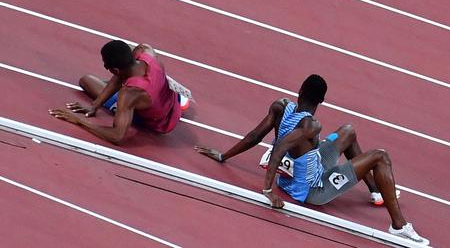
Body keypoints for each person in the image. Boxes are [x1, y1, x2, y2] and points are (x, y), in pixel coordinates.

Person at [195, 74, 428, 245]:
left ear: (299, 91)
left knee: (348, 130)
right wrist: (267, 192)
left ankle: (376, 190)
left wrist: (224, 155)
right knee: (380, 156)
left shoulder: (281, 106)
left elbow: (255, 136)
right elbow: (278, 151)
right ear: (322, 100)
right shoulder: (311, 126)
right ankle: (399, 226)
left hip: (302, 168)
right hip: (312, 189)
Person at [49, 40, 189, 144]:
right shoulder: (145, 51)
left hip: (159, 122)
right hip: (171, 100)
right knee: (92, 81)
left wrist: (79, 121)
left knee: (87, 81)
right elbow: (120, 74)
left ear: (115, 70)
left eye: (106, 66)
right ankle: (180, 101)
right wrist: (94, 105)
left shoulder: (128, 94)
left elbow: (117, 136)